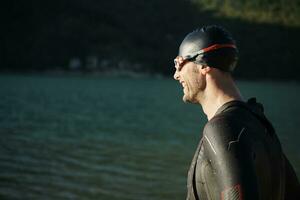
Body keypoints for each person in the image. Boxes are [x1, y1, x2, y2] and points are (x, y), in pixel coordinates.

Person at [173, 25, 300, 200]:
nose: (176, 74)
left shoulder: (223, 130)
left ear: (203, 65)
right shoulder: (260, 125)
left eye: (179, 63)